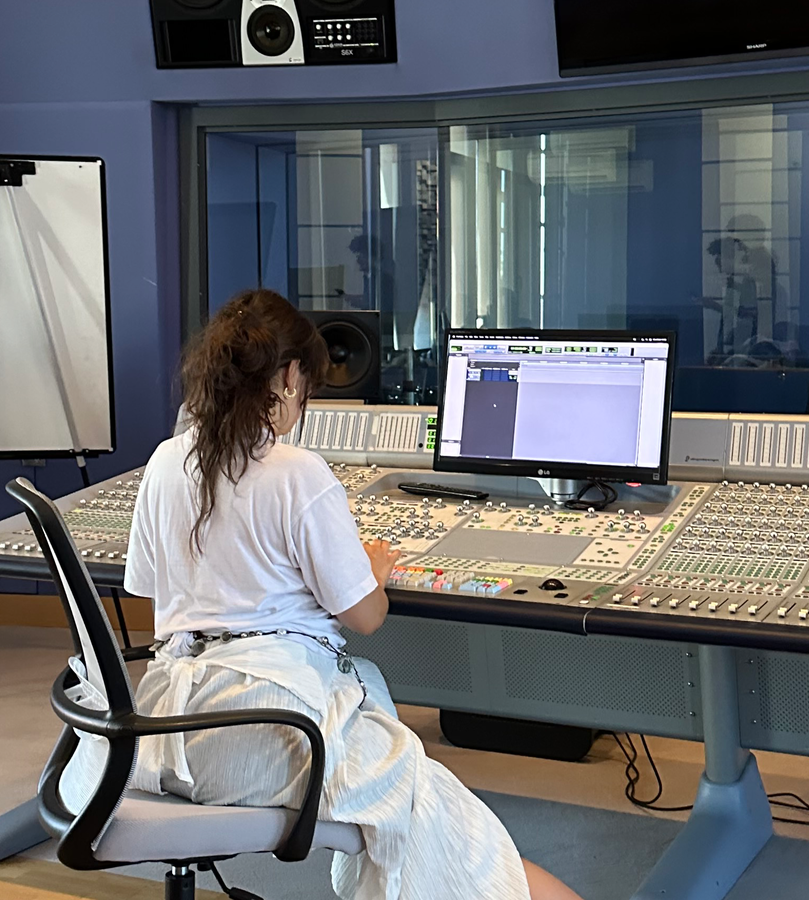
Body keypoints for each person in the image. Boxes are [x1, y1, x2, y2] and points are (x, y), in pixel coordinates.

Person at [92, 288, 583, 900]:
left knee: (398, 781)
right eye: (307, 388)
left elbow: (153, 590)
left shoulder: (166, 461)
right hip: (261, 732)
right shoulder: (297, 473)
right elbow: (366, 617)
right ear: (289, 376)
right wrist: (369, 571)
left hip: (163, 735)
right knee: (435, 813)